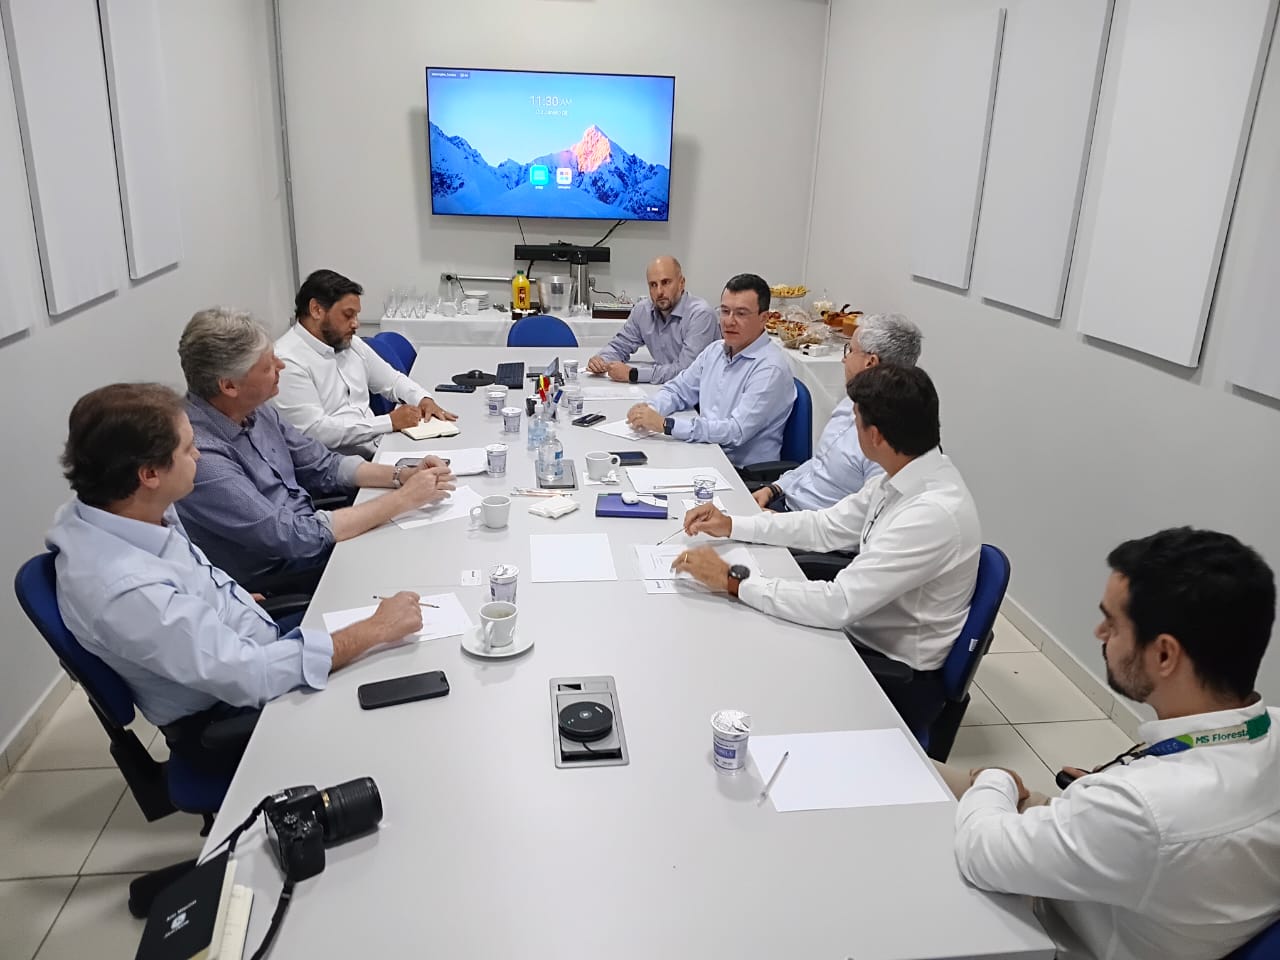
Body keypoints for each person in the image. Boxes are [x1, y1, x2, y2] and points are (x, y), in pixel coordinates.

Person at [47, 383, 428, 771]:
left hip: (250, 644)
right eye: (187, 449)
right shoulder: (127, 592)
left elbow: (185, 582)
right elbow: (252, 676)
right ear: (149, 474)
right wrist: (374, 630)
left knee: (410, 640)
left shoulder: (117, 508)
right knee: (409, 700)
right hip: (229, 714)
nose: (198, 455)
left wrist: (228, 597)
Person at [946, 527, 1280, 960]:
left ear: (1164, 655)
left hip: (1056, 927)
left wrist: (994, 777)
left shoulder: (1141, 810)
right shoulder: (1267, 729)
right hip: (1135, 868)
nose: (1099, 631)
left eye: (1114, 623)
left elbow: (979, 851)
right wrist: (1101, 797)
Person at [674, 364, 979, 732]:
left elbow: (838, 604)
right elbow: (825, 527)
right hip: (858, 630)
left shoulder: (931, 514)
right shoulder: (901, 475)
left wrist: (732, 580)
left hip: (889, 673)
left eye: (855, 421)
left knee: (734, 664)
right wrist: (733, 524)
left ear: (875, 436)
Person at [176, 307, 456, 594]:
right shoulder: (201, 457)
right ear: (229, 386)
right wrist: (403, 499)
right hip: (284, 575)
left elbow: (323, 464)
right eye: (268, 365)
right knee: (417, 568)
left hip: (314, 538)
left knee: (430, 544)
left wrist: (402, 475)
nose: (281, 366)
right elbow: (292, 537)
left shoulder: (255, 410)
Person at [273, 268, 455, 458]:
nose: (356, 324)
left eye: (356, 315)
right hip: (340, 465)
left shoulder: (350, 343)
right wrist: (388, 422)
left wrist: (423, 399)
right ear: (316, 310)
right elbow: (316, 431)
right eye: (348, 315)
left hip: (379, 446)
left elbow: (392, 381)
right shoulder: (287, 361)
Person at [752, 313, 922, 512]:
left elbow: (858, 521)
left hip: (808, 524)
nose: (843, 359)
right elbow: (819, 463)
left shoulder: (887, 445)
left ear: (870, 362)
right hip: (784, 502)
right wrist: (775, 488)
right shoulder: (851, 401)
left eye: (850, 350)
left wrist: (777, 522)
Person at [624, 273, 795, 467]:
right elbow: (678, 390)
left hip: (739, 472)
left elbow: (735, 432)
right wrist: (650, 410)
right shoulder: (715, 351)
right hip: (704, 452)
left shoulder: (770, 368)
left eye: (741, 314)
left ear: (764, 318)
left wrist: (666, 425)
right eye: (725, 311)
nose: (729, 321)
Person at [586, 255, 719, 384]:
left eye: (665, 282)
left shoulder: (701, 315)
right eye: (653, 285)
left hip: (700, 393)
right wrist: (601, 360)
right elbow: (620, 346)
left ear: (681, 283)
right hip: (664, 389)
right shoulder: (643, 311)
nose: (659, 291)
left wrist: (634, 374)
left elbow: (687, 372)